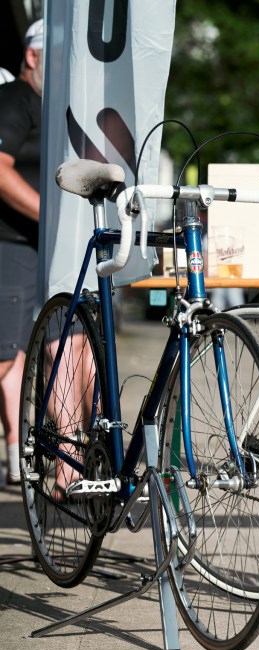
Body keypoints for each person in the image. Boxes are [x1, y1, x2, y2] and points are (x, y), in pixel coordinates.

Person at [0, 19, 44, 485]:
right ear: (32, 56)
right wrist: (48, 215)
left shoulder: (53, 105)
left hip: (38, 245)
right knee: (5, 357)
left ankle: (19, 455)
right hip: (10, 244)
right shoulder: (15, 100)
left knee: (30, 353)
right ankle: (17, 453)